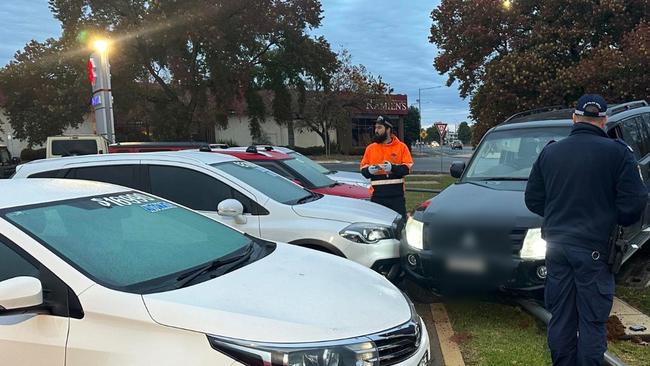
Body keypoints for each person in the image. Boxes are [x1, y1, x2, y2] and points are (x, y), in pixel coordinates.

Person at [525, 94, 648, 366]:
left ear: (574, 118)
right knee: (591, 321)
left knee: (562, 317)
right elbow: (635, 202)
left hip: (556, 248)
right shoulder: (618, 153)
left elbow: (532, 199)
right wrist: (609, 218)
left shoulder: (551, 151)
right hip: (594, 250)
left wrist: (560, 214)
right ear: (603, 121)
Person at [360, 116, 414, 217]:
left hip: (396, 197)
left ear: (388, 129)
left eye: (379, 128)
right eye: (376, 127)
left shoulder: (401, 147)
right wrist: (369, 170)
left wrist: (392, 168)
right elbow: (363, 170)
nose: (376, 130)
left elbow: (408, 168)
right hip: (377, 197)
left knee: (399, 226)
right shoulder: (370, 148)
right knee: (378, 227)